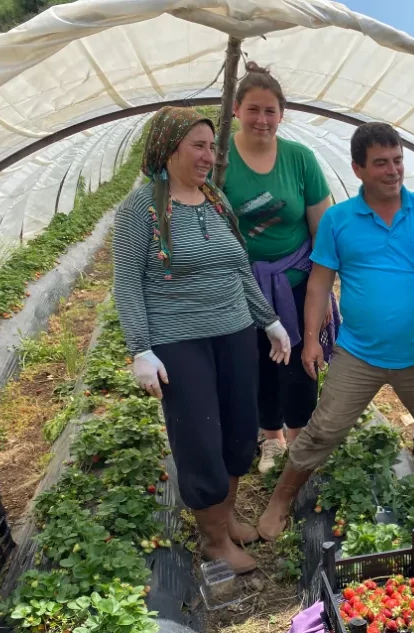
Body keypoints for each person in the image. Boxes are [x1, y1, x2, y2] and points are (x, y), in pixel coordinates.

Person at [256, 122, 414, 541]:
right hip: (359, 354)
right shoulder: (339, 220)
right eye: (380, 164)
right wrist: (312, 338)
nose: (392, 171)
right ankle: (280, 501)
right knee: (324, 429)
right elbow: (319, 283)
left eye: (397, 161)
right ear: (358, 169)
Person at [112, 106, 292, 574]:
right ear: (169, 149)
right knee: (200, 439)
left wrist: (268, 320)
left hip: (234, 332)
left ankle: (227, 519)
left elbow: (238, 266)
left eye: (211, 146)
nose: (209, 155)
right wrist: (140, 349)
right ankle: (214, 542)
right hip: (180, 342)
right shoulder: (141, 209)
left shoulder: (215, 201)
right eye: (198, 145)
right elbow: (128, 281)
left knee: (237, 431)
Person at [222, 62, 339, 475]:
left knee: (301, 360)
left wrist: (323, 293)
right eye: (253, 109)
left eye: (270, 111)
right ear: (236, 109)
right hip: (241, 284)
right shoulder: (221, 162)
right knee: (258, 362)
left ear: (281, 115)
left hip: (294, 280)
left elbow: (323, 233)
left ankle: (301, 438)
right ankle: (271, 438)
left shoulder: (299, 159)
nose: (262, 119)